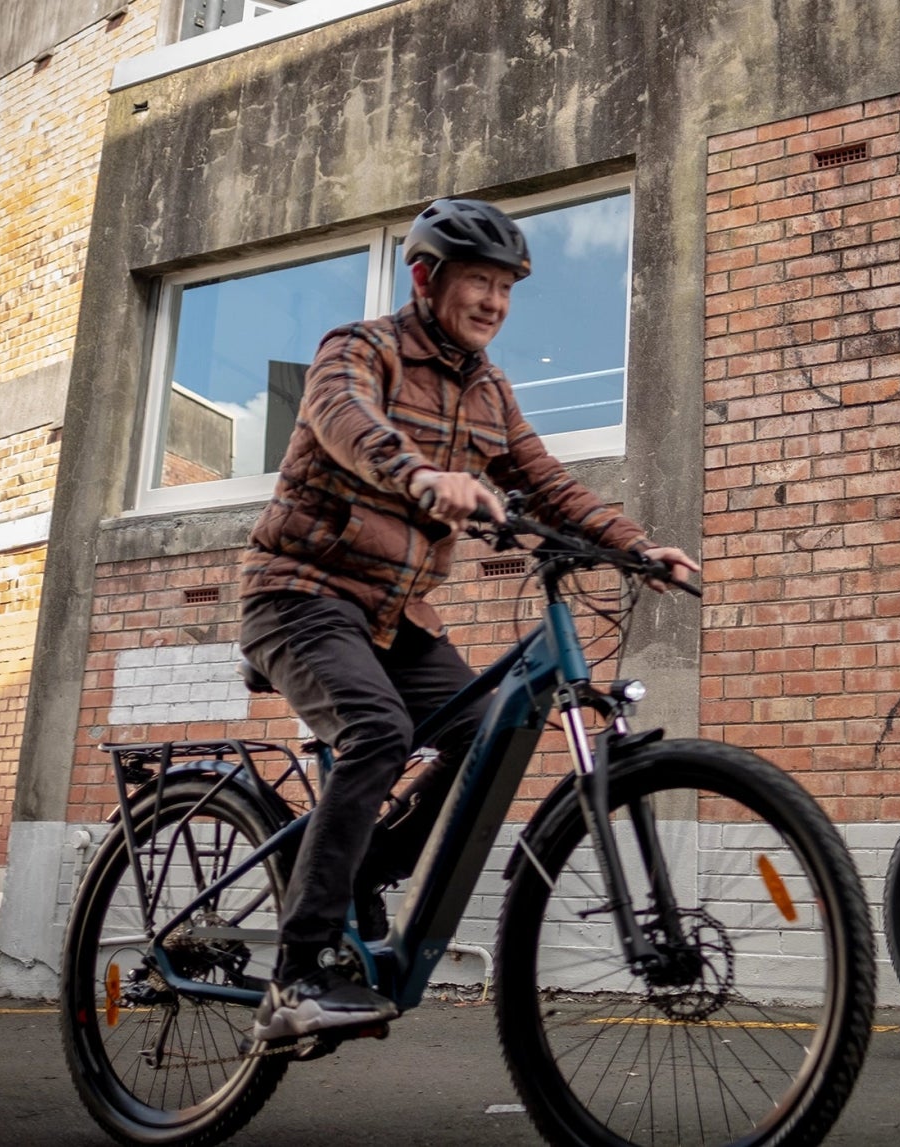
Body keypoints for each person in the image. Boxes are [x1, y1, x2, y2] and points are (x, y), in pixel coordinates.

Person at [237, 198, 698, 1041]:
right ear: (426, 278)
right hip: (298, 592)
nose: (493, 301)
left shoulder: (489, 391)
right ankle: (297, 976)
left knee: (486, 728)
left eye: (505, 288)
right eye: (478, 282)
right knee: (376, 730)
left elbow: (548, 482)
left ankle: (363, 875)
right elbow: (345, 422)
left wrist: (638, 546)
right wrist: (419, 476)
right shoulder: (360, 348)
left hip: (396, 612)